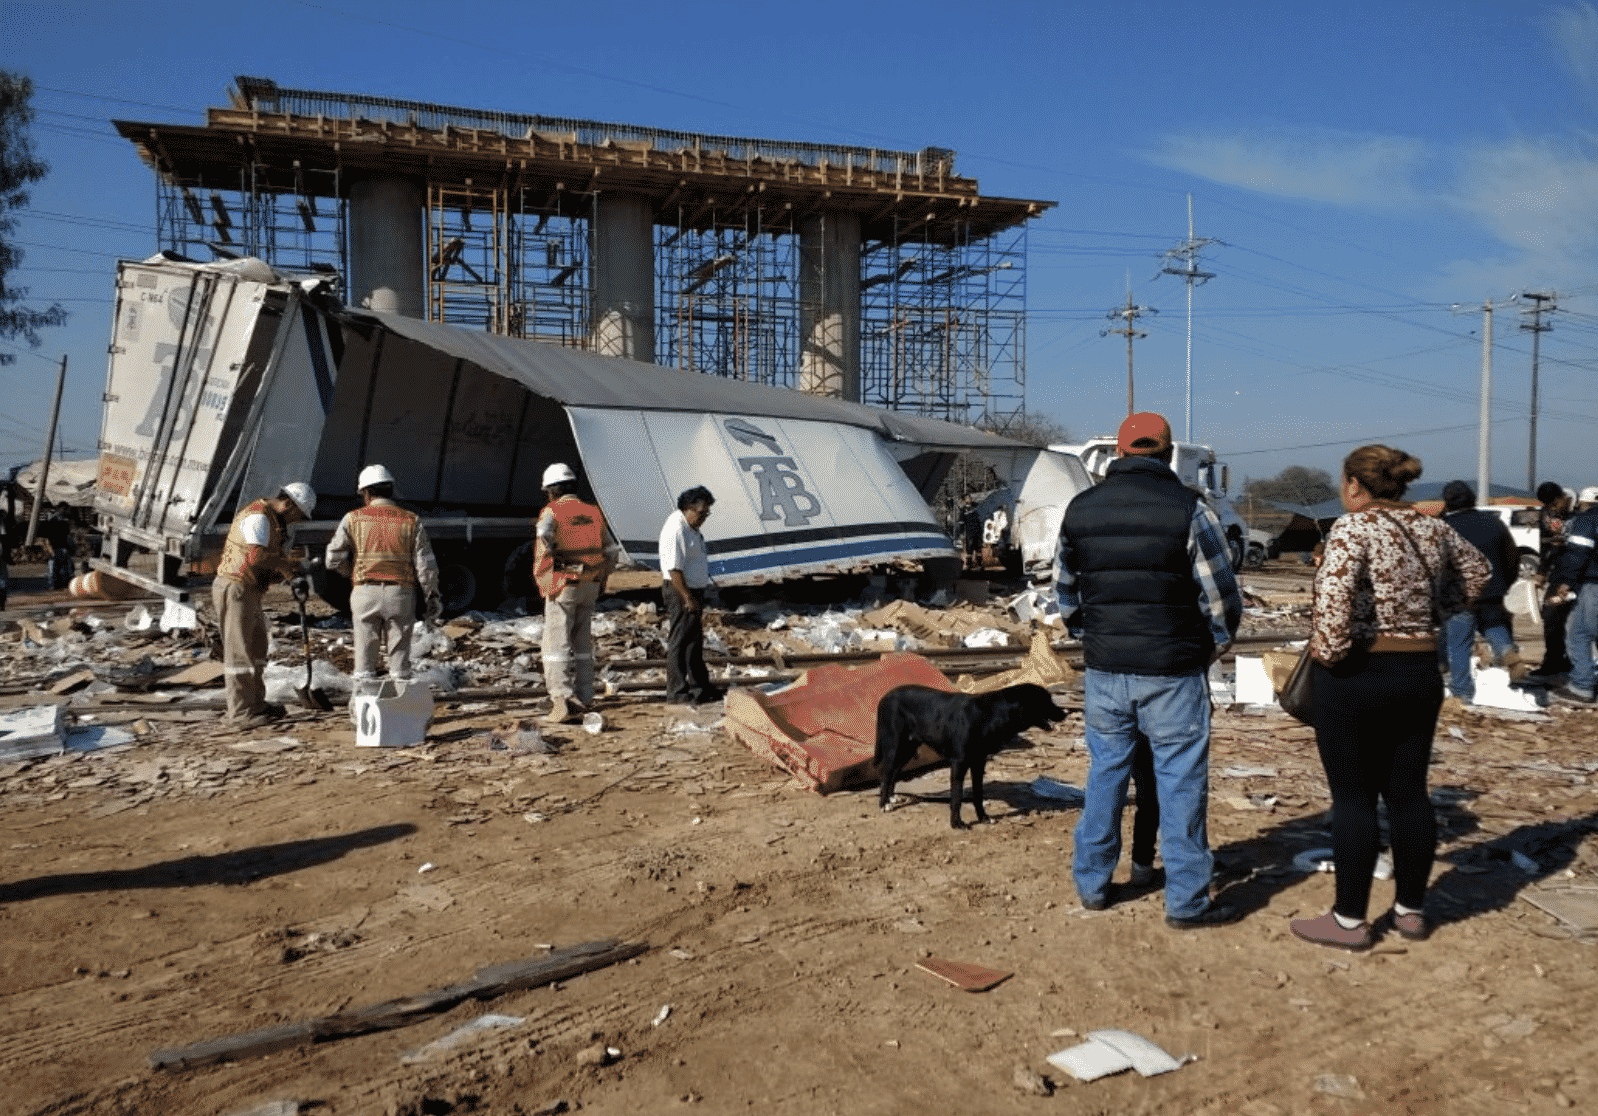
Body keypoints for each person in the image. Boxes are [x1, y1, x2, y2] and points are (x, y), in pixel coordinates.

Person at [1289, 446, 1488, 951]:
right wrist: (1437, 612)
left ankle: (1350, 920)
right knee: (1408, 792)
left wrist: (1329, 657)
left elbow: (1331, 607)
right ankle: (1411, 911)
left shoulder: (1351, 528)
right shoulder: (1435, 528)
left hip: (1359, 671)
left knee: (1354, 798)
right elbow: (1480, 572)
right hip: (1419, 670)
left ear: (1355, 484)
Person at [1054, 411, 1242, 930]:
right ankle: (1185, 901)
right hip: (1174, 672)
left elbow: (1066, 595)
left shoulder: (1081, 509)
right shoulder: (1190, 509)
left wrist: (1094, 642)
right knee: (1181, 781)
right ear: (1166, 453)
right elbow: (1222, 598)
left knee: (1106, 773)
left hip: (1106, 672)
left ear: (1119, 453)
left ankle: (1092, 885)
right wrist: (1212, 649)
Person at [326, 465, 442, 689]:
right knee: (400, 667)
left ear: (366, 493)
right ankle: (400, 706)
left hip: (364, 592)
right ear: (391, 490)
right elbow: (426, 566)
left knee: (364, 662)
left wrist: (350, 573)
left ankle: (364, 706)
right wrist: (432, 596)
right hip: (400, 594)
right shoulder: (411, 520)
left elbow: (332, 558)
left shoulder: (352, 518)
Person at [213, 482, 316, 725]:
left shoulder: (271, 521)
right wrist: (287, 565)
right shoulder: (258, 517)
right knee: (240, 654)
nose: (295, 521)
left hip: (249, 590)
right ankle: (240, 713)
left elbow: (266, 563)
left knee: (257, 649)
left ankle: (256, 704)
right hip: (236, 587)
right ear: (288, 504)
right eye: (297, 515)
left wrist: (290, 574)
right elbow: (256, 556)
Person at [533, 462, 617, 724]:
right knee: (581, 642)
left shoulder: (552, 511)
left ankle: (562, 697)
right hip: (590, 583)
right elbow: (611, 551)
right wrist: (600, 575)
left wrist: (559, 566)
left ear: (551, 490)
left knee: (556, 643)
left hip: (563, 584)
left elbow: (544, 535)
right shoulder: (593, 512)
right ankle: (585, 693)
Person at [1439, 480, 1520, 704]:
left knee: (1459, 644)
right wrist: (1504, 583)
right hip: (1492, 591)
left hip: (1459, 595)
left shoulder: (1443, 528)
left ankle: (1462, 694)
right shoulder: (1494, 523)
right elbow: (1512, 557)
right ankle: (1507, 652)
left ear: (1447, 503)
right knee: (1494, 625)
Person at [659, 485, 723, 707]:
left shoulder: (690, 527)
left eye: (706, 514)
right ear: (688, 508)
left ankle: (700, 687)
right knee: (680, 640)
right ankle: (676, 691)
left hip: (692, 589)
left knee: (693, 642)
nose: (703, 518)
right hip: (680, 589)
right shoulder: (676, 529)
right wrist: (687, 598)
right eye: (701, 513)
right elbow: (673, 569)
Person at [1546, 485, 1598, 705]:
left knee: (1579, 634)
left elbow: (1578, 554)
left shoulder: (1586, 521)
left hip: (1592, 583)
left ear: (1583, 503)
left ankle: (1582, 687)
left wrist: (1565, 581)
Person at [1528, 482, 1576, 683]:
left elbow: (1555, 546)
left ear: (1562, 497)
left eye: (1555, 504)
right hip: (1561, 572)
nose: (1553, 509)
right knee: (1553, 616)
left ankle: (1557, 661)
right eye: (1549, 505)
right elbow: (1548, 546)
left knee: (1558, 617)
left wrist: (1541, 572)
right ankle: (1557, 659)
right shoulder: (1550, 514)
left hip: (1573, 573)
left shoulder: (1579, 512)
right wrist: (1542, 571)